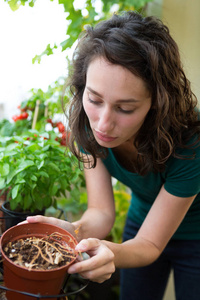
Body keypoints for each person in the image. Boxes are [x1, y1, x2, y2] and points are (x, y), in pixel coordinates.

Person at [25, 11, 200, 300]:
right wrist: (75, 230)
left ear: (157, 104)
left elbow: (151, 245)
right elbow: (102, 213)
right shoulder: (85, 124)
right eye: (94, 99)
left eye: (125, 108)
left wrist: (111, 253)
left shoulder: (191, 142)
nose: (103, 125)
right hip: (143, 217)